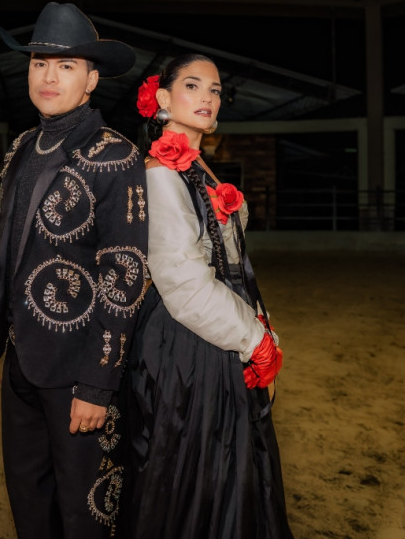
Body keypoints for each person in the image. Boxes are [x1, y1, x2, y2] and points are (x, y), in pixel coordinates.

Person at [0, 2, 148, 539]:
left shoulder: (116, 156)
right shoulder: (23, 148)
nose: (49, 76)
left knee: (85, 513)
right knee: (28, 498)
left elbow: (126, 275)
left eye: (66, 65)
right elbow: (8, 252)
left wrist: (98, 384)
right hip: (22, 362)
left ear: (92, 79)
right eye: (39, 62)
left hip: (78, 369)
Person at [124, 54, 293, 538]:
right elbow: (182, 281)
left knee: (229, 468)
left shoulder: (198, 169)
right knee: (198, 473)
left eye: (215, 90)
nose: (207, 98)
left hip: (215, 329)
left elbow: (230, 263)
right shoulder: (160, 173)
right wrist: (253, 339)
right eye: (193, 86)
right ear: (161, 98)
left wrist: (261, 325)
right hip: (187, 343)